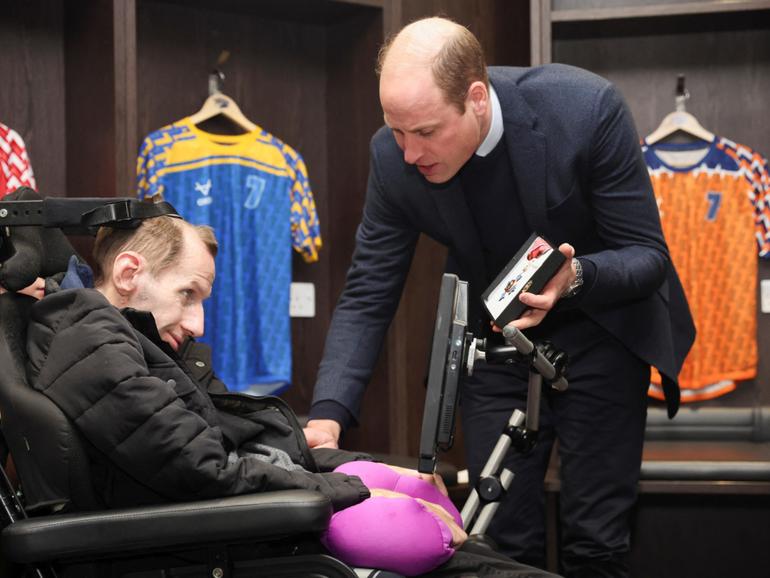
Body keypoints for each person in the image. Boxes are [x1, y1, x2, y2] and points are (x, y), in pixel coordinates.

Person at [304, 16, 695, 578]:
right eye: (397, 130)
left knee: (596, 539)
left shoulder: (583, 110)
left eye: (427, 132)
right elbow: (369, 288)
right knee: (501, 537)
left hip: (604, 330)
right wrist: (328, 414)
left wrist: (574, 277)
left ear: (477, 99)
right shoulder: (394, 159)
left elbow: (646, 255)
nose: (410, 153)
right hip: (494, 342)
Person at [21, 212, 556, 577]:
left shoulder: (129, 341)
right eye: (188, 294)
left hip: (245, 523)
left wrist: (357, 466)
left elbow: (241, 434)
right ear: (130, 273)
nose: (199, 322)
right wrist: (351, 489)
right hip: (220, 541)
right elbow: (206, 469)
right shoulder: (92, 344)